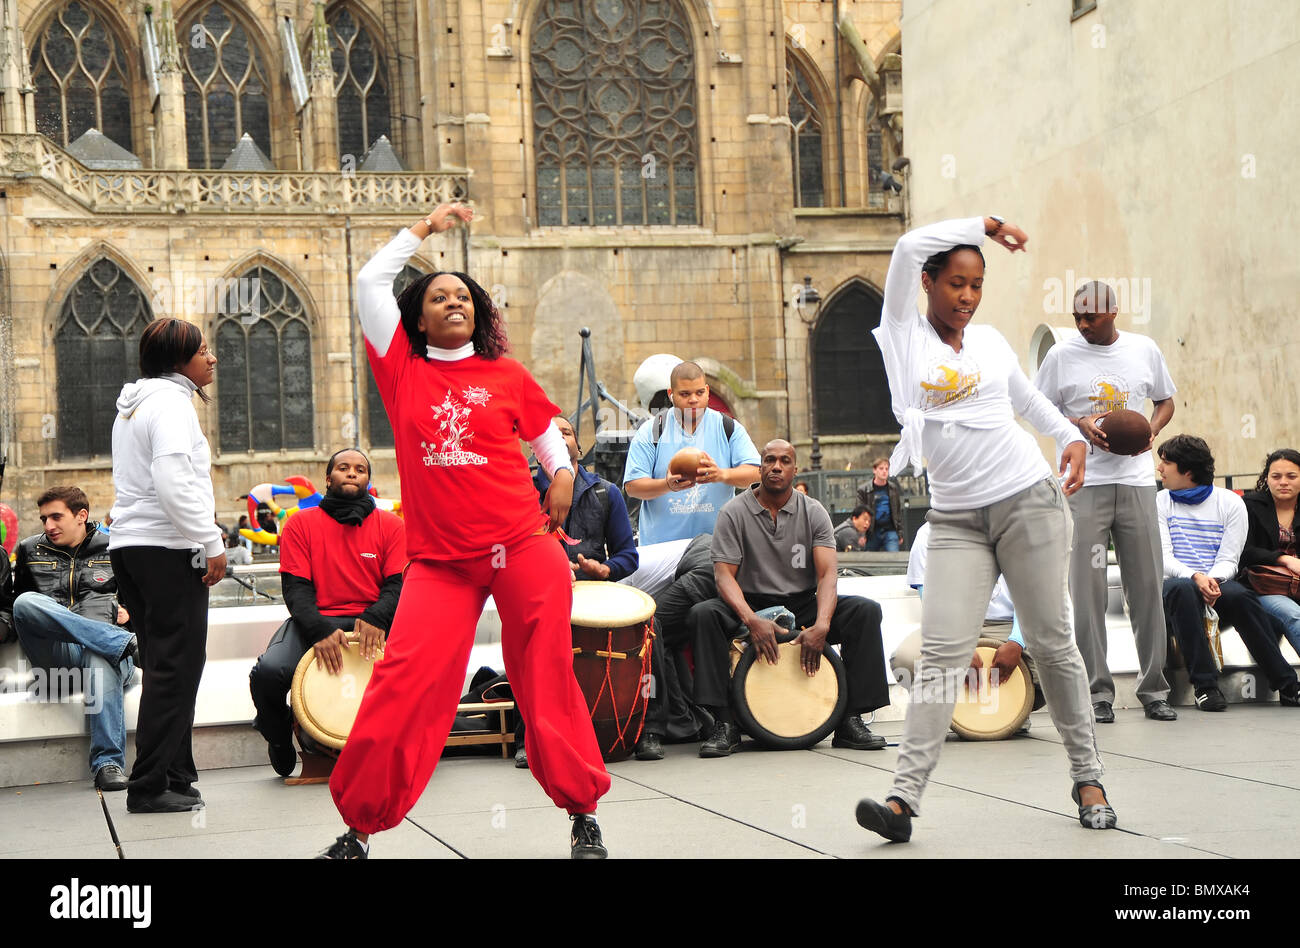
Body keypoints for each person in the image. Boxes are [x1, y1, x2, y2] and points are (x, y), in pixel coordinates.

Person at [318, 202, 610, 860]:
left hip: (524, 548)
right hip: (442, 563)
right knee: (407, 683)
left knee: (545, 677)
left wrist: (561, 474)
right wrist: (423, 231)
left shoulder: (505, 375)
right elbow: (368, 283)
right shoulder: (401, 370)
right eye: (439, 296)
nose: (454, 302)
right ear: (417, 319)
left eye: (464, 296)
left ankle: (582, 813)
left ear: (478, 314)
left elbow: (544, 432)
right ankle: (359, 829)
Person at [855, 216, 1112, 844]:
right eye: (956, 284)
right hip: (955, 519)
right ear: (927, 283)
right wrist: (986, 225)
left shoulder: (993, 342)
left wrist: (1071, 435)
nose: (967, 297)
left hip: (1029, 501)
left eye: (976, 285)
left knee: (1052, 641)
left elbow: (1027, 403)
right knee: (941, 654)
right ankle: (902, 801)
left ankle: (1088, 777)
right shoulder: (902, 335)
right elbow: (908, 242)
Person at [687, 440, 891, 757]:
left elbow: (827, 575)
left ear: (795, 470)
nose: (777, 466)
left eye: (785, 460)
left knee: (864, 612)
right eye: (770, 460)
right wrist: (751, 619)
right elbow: (724, 576)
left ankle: (850, 721)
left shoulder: (814, 512)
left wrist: (822, 624)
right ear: (760, 468)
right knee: (704, 615)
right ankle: (724, 723)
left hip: (802, 601)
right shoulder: (733, 512)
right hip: (751, 601)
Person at [1033, 280, 1178, 723]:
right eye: (1077, 315)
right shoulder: (1061, 355)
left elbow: (1166, 401)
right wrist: (1076, 421)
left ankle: (1154, 688)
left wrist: (1150, 431)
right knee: (1087, 588)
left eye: (1089, 316)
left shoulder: (1143, 349)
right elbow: (1036, 405)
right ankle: (1097, 691)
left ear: (1112, 312)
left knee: (1147, 586)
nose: (1081, 324)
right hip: (1084, 485)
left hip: (1135, 483)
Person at [109, 317, 226, 813]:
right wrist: (210, 540)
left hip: (131, 546)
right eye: (203, 350)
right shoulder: (172, 404)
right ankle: (150, 784)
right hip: (165, 548)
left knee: (163, 664)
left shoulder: (136, 405)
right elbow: (173, 480)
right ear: (180, 361)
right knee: (176, 668)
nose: (212, 357)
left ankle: (176, 773)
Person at [249, 448, 406, 776]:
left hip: (373, 620)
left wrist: (377, 618)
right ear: (328, 478)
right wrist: (318, 629)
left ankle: (409, 746)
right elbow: (296, 590)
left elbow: (396, 586)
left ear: (367, 479)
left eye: (360, 469)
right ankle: (279, 738)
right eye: (344, 468)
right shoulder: (299, 525)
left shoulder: (391, 526)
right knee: (268, 674)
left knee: (426, 666)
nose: (352, 473)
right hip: (316, 619)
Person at [520, 415, 649, 762]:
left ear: (578, 444)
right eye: (550, 434)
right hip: (544, 593)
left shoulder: (607, 492)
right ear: (537, 449)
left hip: (597, 592)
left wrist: (605, 568)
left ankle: (646, 727)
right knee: (524, 636)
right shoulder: (523, 494)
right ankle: (528, 734)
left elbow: (628, 556)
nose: (560, 438)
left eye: (566, 432)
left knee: (651, 630)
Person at [1155, 436, 1300, 711]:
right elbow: (1163, 558)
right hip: (1173, 590)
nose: (1159, 468)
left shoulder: (1230, 503)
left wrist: (1214, 580)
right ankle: (1206, 687)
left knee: (1240, 595)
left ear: (1187, 471)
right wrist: (1196, 577)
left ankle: (1288, 685)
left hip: (1216, 585)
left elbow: (1230, 560)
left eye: (1166, 462)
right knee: (1183, 588)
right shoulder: (1160, 502)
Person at [7, 486, 137, 790]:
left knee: (98, 653)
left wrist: (130, 614)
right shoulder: (29, 550)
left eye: (56, 516)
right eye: (43, 519)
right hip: (57, 660)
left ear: (82, 516)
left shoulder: (116, 548)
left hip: (103, 658)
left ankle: (107, 764)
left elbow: (147, 602)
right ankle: (116, 643)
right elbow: (19, 616)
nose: (48, 526)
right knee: (25, 603)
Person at [893, 521, 1043, 731]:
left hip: (1006, 623)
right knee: (905, 659)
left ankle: (1014, 709)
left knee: (1052, 665)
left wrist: (1017, 641)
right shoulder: (929, 533)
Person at [623, 361, 760, 545]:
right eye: (685, 394)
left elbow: (756, 473)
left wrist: (721, 474)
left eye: (699, 392)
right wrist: (667, 485)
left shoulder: (727, 427)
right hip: (662, 550)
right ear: (671, 394)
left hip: (716, 547)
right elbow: (633, 487)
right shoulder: (653, 430)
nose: (693, 399)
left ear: (707, 391)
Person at [1240, 448, 1300, 653]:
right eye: (1276, 476)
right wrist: (1284, 559)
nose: (1283, 482)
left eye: (1291, 476)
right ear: (1267, 478)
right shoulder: (1249, 506)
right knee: (1292, 614)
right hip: (1265, 586)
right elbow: (1243, 551)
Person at [856, 458, 904, 551]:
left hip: (890, 530)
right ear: (874, 470)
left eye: (886, 469)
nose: (884, 471)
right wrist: (861, 534)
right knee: (869, 561)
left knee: (894, 559)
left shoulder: (893, 488)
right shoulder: (864, 490)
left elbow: (897, 512)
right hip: (871, 531)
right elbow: (859, 513)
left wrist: (900, 533)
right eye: (881, 468)